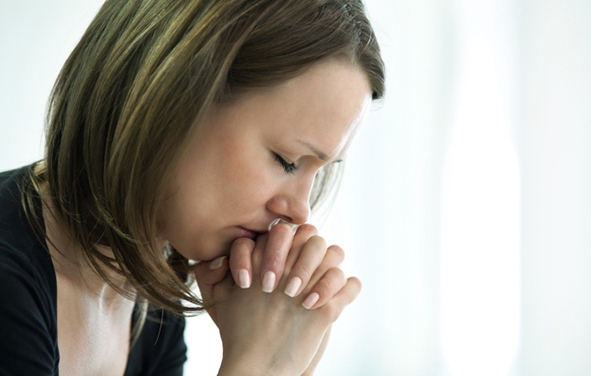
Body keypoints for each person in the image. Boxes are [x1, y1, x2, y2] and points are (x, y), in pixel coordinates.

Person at [0, 0, 385, 374]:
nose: (300, 211)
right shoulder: (9, 279)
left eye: (318, 171)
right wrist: (263, 366)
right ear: (174, 97)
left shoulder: (150, 295)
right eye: (285, 160)